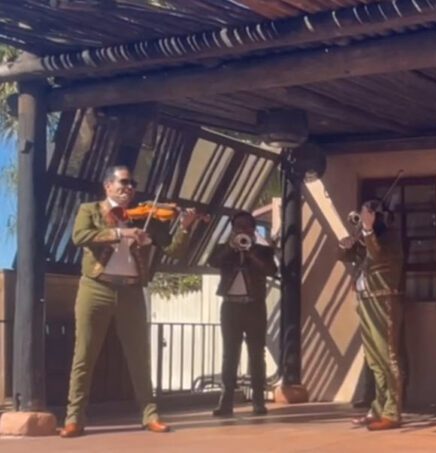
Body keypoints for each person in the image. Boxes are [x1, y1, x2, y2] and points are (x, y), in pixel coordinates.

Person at [60, 165, 205, 438]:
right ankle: (74, 418)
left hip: (131, 291)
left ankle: (150, 415)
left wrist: (185, 227)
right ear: (108, 186)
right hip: (96, 288)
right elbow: (80, 236)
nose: (129, 188)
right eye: (123, 183)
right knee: (84, 355)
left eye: (132, 184)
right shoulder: (90, 210)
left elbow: (173, 249)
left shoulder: (145, 217)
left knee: (139, 356)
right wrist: (120, 233)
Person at [339, 199, 406, 431]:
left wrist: (367, 230)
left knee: (389, 357)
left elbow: (377, 255)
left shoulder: (390, 237)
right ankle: (378, 408)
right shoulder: (365, 241)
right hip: (366, 300)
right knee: (374, 360)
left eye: (369, 215)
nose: (365, 219)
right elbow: (345, 257)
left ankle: (393, 412)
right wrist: (347, 243)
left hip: (383, 299)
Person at [207, 212, 278, 417]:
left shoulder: (263, 251)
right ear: (233, 229)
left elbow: (270, 270)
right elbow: (213, 261)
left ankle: (258, 401)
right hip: (230, 307)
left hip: (254, 306)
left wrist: (250, 253)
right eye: (238, 226)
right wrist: (232, 248)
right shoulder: (224, 249)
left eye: (247, 227)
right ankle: (226, 402)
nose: (242, 230)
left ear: (253, 230)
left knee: (257, 354)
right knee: (230, 355)